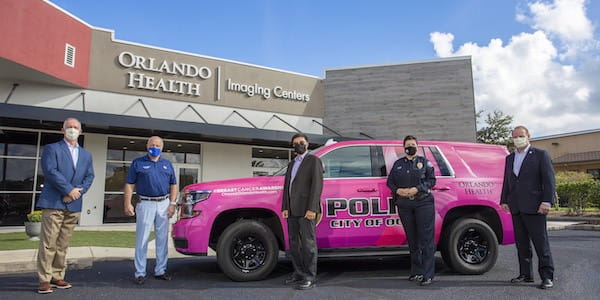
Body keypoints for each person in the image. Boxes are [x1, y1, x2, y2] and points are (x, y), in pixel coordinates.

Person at [36, 117, 95, 294]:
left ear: (81, 131)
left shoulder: (86, 154)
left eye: (75, 127)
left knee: (62, 244)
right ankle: (44, 279)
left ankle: (57, 276)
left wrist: (77, 193)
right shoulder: (52, 149)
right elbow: (50, 171)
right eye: (69, 127)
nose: (72, 129)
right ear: (62, 130)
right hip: (54, 202)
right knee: (49, 243)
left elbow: (89, 177)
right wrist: (69, 190)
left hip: (74, 205)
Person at [500, 125, 555, 289]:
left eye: (521, 136)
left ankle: (547, 276)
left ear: (528, 136)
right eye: (515, 137)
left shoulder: (540, 155)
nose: (518, 139)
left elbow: (549, 180)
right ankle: (526, 274)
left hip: (535, 207)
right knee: (521, 244)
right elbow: (507, 181)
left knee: (541, 243)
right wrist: (504, 199)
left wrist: (547, 201)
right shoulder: (509, 158)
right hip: (516, 207)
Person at [124, 136, 177, 284]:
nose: (155, 147)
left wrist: (172, 204)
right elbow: (129, 184)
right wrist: (127, 203)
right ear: (147, 146)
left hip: (164, 204)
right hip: (145, 203)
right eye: (152, 144)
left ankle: (160, 270)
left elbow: (174, 185)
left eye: (158, 145)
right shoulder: (138, 163)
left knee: (162, 239)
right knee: (142, 239)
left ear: (162, 147)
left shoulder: (167, 164)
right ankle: (139, 272)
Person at [386, 135, 436, 286]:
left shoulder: (424, 162)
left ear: (417, 146)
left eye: (413, 144)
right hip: (405, 205)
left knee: (426, 240)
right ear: (404, 147)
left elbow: (432, 180)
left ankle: (428, 275)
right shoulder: (398, 164)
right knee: (412, 240)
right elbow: (390, 182)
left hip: (423, 203)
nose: (410, 147)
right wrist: (398, 190)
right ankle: (417, 271)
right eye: (408, 145)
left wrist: (417, 188)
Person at [281, 133, 323, 290]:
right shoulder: (292, 164)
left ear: (307, 144)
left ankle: (310, 277)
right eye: (295, 143)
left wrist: (312, 208)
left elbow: (317, 186)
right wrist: (285, 207)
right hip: (292, 210)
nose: (299, 145)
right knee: (294, 244)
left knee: (308, 244)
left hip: (307, 210)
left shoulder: (313, 161)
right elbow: (287, 187)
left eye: (301, 142)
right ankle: (298, 273)